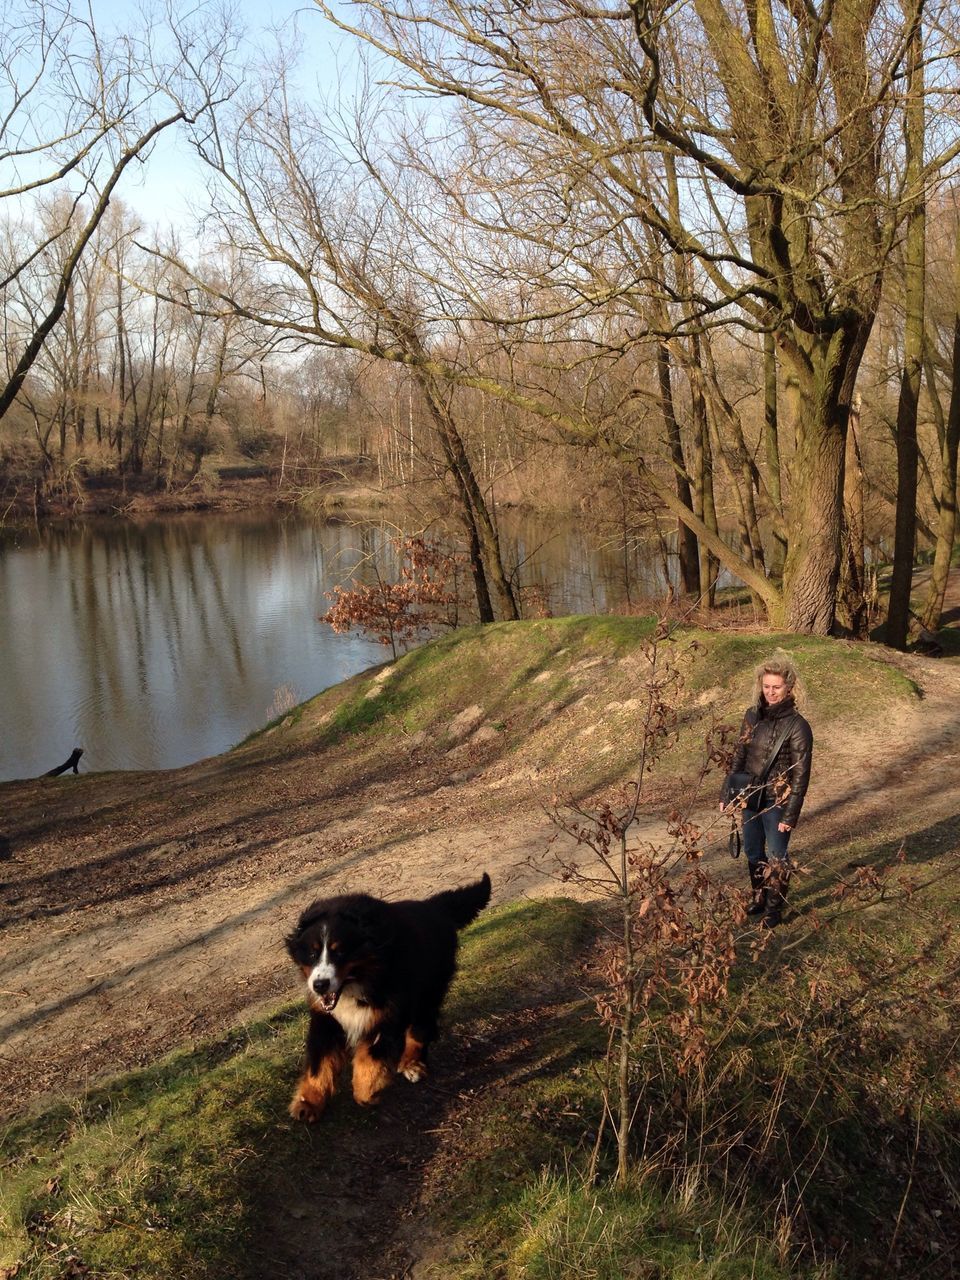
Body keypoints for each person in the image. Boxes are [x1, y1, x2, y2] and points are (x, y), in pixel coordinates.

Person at [720, 657, 813, 928]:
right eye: (766, 686)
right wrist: (728, 794)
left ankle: (774, 909)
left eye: (777, 687)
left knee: (777, 856)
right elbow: (739, 757)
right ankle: (759, 898)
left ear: (790, 688)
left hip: (778, 801)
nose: (770, 692)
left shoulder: (798, 726)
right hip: (750, 796)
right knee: (751, 851)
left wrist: (790, 814)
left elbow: (801, 775)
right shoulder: (751, 716)